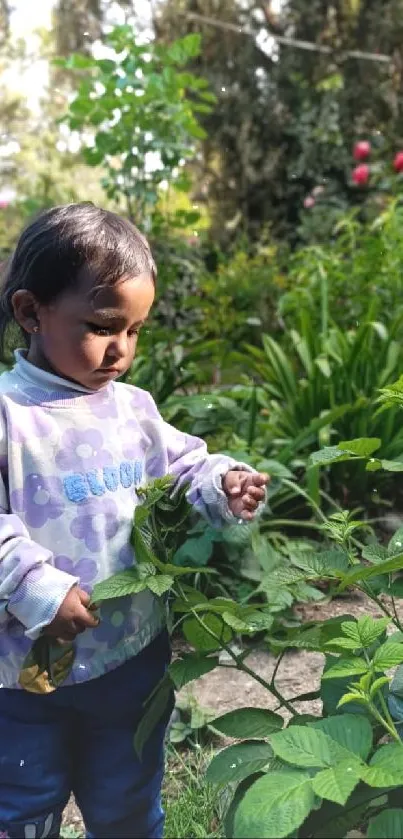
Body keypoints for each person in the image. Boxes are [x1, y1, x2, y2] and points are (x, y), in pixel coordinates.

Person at [0, 203, 268, 839]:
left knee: (128, 795)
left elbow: (182, 466)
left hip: (132, 656)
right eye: (101, 326)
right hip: (21, 674)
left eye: (136, 330)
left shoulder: (133, 410)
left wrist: (220, 482)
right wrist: (39, 584)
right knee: (22, 798)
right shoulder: (11, 418)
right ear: (31, 312)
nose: (120, 349)